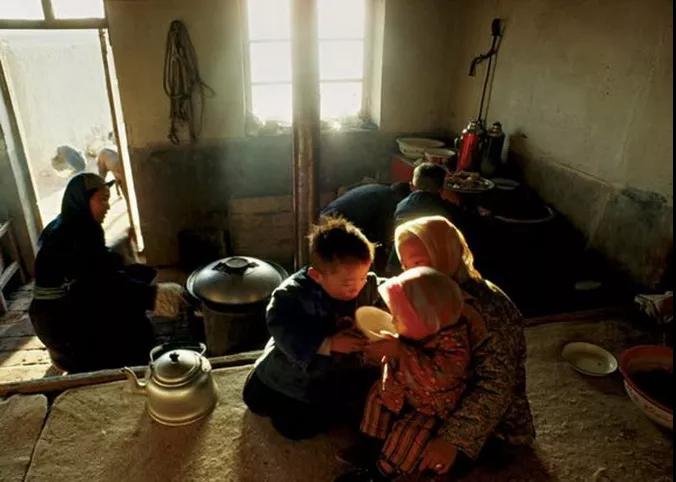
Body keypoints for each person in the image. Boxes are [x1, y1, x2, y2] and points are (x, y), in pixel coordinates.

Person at [391, 215, 535, 476]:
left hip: (491, 422)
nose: (409, 274)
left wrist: (451, 439)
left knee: (420, 460)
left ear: (446, 254)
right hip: (441, 394)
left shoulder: (487, 311)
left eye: (418, 263)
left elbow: (496, 387)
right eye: (405, 266)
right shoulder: (426, 293)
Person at [29, 173, 186, 373]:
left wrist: (134, 270)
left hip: (50, 314)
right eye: (102, 200)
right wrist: (153, 296)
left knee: (136, 275)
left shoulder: (66, 223)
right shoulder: (80, 234)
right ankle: (125, 368)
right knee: (133, 323)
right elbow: (102, 284)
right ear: (83, 200)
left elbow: (96, 266)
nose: (108, 206)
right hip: (61, 323)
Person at [242, 216, 382, 440]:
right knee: (255, 400)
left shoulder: (366, 284)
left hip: (336, 373)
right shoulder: (292, 295)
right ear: (317, 276)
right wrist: (329, 343)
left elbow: (382, 290)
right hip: (292, 366)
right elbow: (280, 323)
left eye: (363, 277)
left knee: (298, 427)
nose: (357, 287)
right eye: (348, 283)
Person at [335, 266, 471, 482]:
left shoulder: (454, 348)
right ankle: (370, 447)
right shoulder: (415, 331)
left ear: (426, 320)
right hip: (401, 391)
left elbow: (435, 379)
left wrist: (400, 352)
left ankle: (381, 473)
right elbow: (389, 355)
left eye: (398, 316)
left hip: (430, 408)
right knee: (376, 398)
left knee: (408, 434)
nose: (393, 321)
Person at [387, 163, 466, 275]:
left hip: (397, 262)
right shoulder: (447, 210)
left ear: (412, 186)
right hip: (431, 269)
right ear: (441, 189)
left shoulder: (402, 204)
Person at [321, 182, 411, 273]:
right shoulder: (390, 200)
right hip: (341, 222)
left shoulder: (378, 188)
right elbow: (383, 232)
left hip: (328, 216)